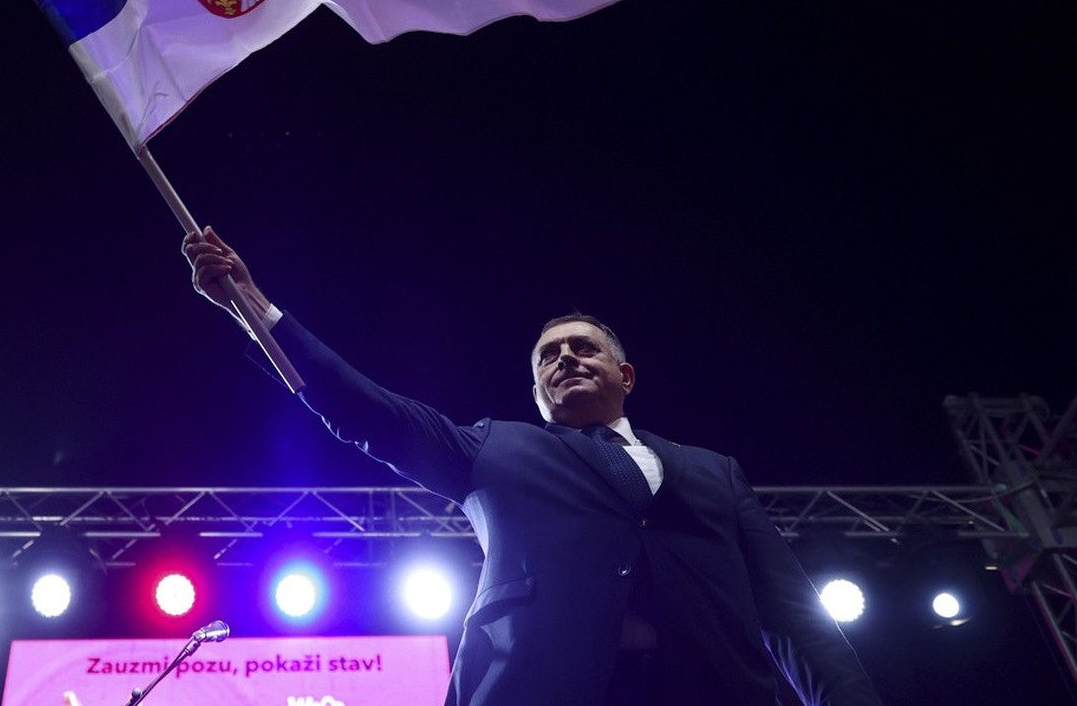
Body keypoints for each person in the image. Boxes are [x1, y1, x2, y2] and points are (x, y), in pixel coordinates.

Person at [182, 226, 883, 706]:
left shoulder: (714, 472)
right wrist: (252, 305)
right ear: (536, 392)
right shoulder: (491, 448)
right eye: (548, 356)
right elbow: (367, 410)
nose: (564, 359)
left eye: (583, 348)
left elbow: (796, 619)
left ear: (625, 373)